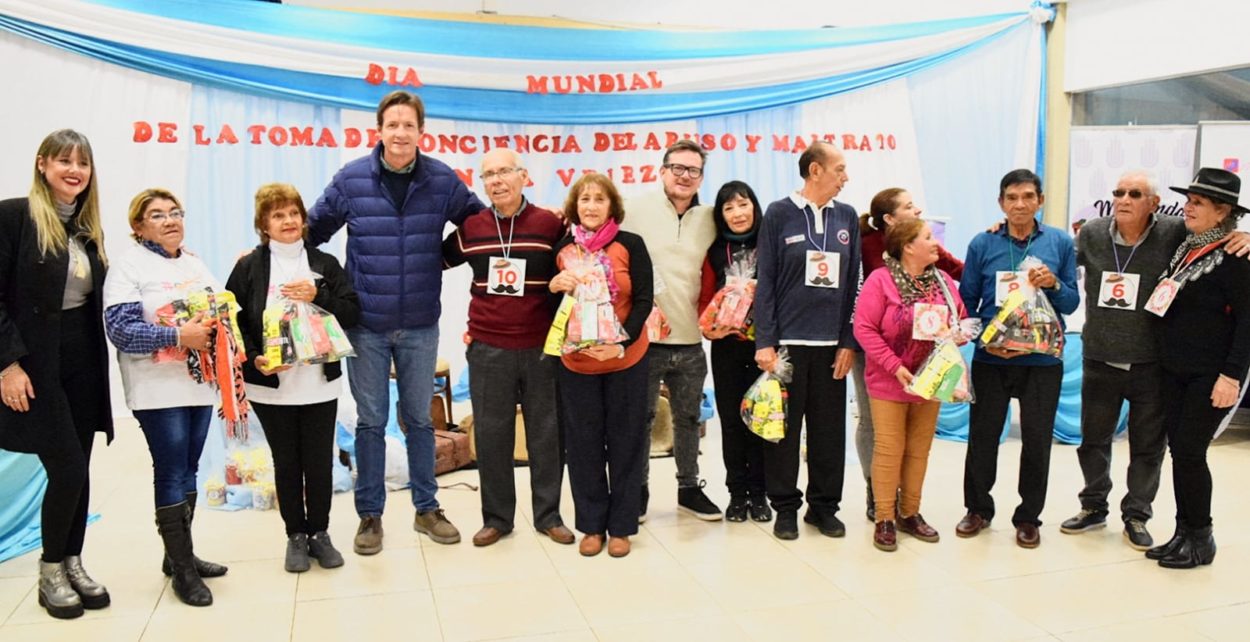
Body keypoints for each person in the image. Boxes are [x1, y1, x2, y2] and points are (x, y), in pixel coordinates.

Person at [308, 90, 485, 553]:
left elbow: (479, 226)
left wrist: (443, 258)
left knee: (419, 421)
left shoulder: (442, 180)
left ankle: (427, 509)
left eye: (409, 125)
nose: (401, 133)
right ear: (379, 130)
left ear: (421, 132)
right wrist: (276, 257)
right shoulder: (351, 180)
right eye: (393, 125)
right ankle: (370, 516)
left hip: (421, 323)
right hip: (365, 323)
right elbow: (312, 232)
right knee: (371, 422)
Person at [0, 130, 112, 619]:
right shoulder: (12, 217)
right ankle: (49, 569)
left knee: (81, 466)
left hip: (82, 358)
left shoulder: (86, 229)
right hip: (36, 360)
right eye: (64, 161)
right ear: (42, 164)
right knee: (65, 466)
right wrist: (7, 363)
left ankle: (73, 560)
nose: (75, 170)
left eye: (82, 163)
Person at [441, 149, 574, 547]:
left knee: (546, 435)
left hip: (541, 346)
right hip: (488, 347)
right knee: (493, 434)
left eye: (504, 172)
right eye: (487, 175)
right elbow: (431, 261)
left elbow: (582, 261)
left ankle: (548, 515)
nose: (496, 181)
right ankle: (497, 518)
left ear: (523, 177)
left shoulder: (550, 224)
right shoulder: (472, 227)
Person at [103, 188, 229, 606]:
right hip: (156, 388)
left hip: (197, 383)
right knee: (172, 470)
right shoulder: (128, 266)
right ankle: (184, 573)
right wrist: (178, 335)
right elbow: (121, 331)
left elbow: (216, 314)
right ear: (138, 226)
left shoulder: (193, 262)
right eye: (157, 215)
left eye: (175, 212)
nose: (170, 220)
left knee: (190, 467)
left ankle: (179, 556)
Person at [225, 184, 360, 572]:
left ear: (304, 218)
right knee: (286, 462)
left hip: (319, 382)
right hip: (272, 386)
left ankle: (320, 533)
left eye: (294, 214)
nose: (288, 222)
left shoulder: (326, 263)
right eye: (278, 215)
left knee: (319, 461)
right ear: (263, 225)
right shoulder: (249, 267)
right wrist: (254, 359)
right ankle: (295, 537)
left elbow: (351, 313)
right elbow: (233, 321)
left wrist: (319, 294)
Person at [955, 169, 1078, 549]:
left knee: (1038, 440)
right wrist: (984, 341)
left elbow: (1071, 303)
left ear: (1040, 200)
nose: (1020, 204)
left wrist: (1053, 284)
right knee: (983, 437)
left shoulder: (1059, 242)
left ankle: (1028, 518)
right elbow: (967, 303)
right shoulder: (983, 243)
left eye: (1028, 196)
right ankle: (977, 509)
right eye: (1012, 197)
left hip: (1042, 360)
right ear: (1001, 203)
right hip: (992, 359)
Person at [754, 141, 860, 541]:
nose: (845, 177)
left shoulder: (847, 215)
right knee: (783, 431)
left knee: (829, 432)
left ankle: (823, 507)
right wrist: (766, 341)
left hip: (832, 346)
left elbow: (854, 285)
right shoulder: (779, 214)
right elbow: (765, 282)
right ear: (815, 171)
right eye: (839, 169)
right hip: (786, 346)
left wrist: (848, 341)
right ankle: (784, 507)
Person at [1146, 168, 1250, 569]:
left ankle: (1202, 537)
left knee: (1190, 451)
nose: (1187, 207)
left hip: (1211, 373)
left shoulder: (1236, 257)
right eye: (1188, 200)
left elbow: (1247, 322)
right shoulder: (1186, 247)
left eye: (1198, 203)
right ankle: (1182, 532)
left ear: (1222, 212)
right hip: (1174, 369)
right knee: (1180, 452)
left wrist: (1232, 376)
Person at [549, 173, 653, 558]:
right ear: (575, 206)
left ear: (612, 206)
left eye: (599, 199)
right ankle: (592, 525)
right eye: (584, 199)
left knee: (627, 442)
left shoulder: (631, 245)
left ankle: (622, 526)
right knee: (583, 445)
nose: (591, 206)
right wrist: (553, 287)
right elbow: (552, 311)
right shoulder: (562, 250)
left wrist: (620, 344)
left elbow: (643, 300)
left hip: (626, 360)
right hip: (577, 363)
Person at [622, 139, 721, 522]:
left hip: (691, 341)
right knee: (641, 419)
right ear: (662, 170)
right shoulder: (634, 208)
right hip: (646, 340)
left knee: (689, 419)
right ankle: (639, 490)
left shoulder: (711, 218)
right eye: (677, 168)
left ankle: (688, 489)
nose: (684, 176)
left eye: (693, 170)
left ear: (700, 177)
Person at [854, 219, 967, 551]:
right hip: (890, 380)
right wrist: (894, 365)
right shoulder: (881, 281)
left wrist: (956, 336)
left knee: (919, 450)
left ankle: (910, 513)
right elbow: (864, 329)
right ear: (907, 246)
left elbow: (960, 320)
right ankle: (885, 517)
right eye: (929, 238)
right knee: (889, 448)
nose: (937, 244)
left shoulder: (943, 282)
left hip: (931, 381)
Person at [698, 180, 769, 523]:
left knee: (763, 419)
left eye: (743, 205)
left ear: (755, 206)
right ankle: (737, 494)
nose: (737, 213)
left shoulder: (771, 244)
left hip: (765, 348)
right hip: (727, 347)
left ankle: (760, 494)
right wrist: (711, 326)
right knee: (731, 421)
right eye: (728, 208)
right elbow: (705, 297)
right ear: (720, 215)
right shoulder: (715, 251)